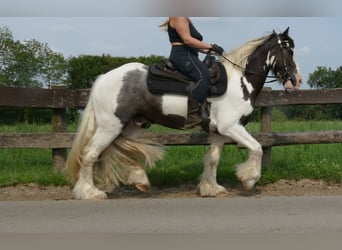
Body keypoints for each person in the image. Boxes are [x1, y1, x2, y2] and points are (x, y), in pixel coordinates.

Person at [160, 17, 224, 131]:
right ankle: (192, 115)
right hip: (183, 55)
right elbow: (187, 40)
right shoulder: (179, 16)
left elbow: (195, 44)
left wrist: (212, 50)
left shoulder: (185, 18)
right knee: (204, 76)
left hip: (191, 54)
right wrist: (210, 46)